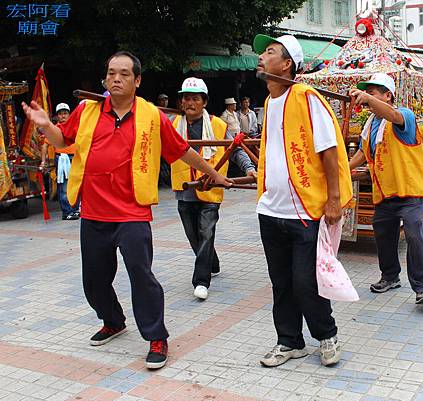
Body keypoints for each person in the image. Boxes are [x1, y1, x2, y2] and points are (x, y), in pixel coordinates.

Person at [22, 51, 231, 370]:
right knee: (93, 279)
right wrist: (46, 125)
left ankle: (157, 336)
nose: (115, 78)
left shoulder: (151, 115)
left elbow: (181, 150)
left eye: (123, 73)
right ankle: (113, 320)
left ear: (137, 80)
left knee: (141, 274)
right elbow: (62, 140)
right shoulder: (87, 111)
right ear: (105, 78)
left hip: (132, 212)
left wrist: (213, 173)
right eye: (110, 73)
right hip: (93, 211)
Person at [253, 33, 352, 368]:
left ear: (287, 64)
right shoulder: (269, 102)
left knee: (305, 282)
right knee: (281, 283)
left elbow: (328, 150)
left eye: (270, 52)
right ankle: (290, 341)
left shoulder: (306, 97)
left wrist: (334, 200)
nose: (262, 57)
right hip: (271, 209)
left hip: (305, 211)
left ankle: (327, 336)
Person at [348, 73, 423, 305]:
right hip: (384, 192)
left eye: (374, 92)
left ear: (388, 95)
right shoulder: (370, 124)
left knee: (414, 234)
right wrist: (344, 168)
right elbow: (363, 153)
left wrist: (367, 99)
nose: (369, 96)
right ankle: (390, 276)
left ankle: (422, 287)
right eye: (368, 92)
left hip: (409, 192)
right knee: (383, 236)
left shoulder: (404, 115)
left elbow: (393, 115)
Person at [170, 78, 257, 300]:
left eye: (195, 98)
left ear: (204, 102)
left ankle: (201, 281)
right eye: (186, 98)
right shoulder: (171, 125)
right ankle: (212, 262)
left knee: (206, 231)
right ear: (181, 102)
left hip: (211, 188)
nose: (190, 102)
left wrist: (248, 168)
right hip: (184, 189)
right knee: (194, 236)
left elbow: (234, 149)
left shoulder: (218, 125)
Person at [40, 103, 80, 220]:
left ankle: (75, 209)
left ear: (69, 114)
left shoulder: (74, 126)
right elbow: (44, 146)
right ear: (57, 116)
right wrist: (43, 162)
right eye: (60, 114)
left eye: (65, 113)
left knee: (76, 184)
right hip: (62, 158)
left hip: (75, 157)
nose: (63, 116)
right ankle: (67, 212)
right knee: (64, 186)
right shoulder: (54, 129)